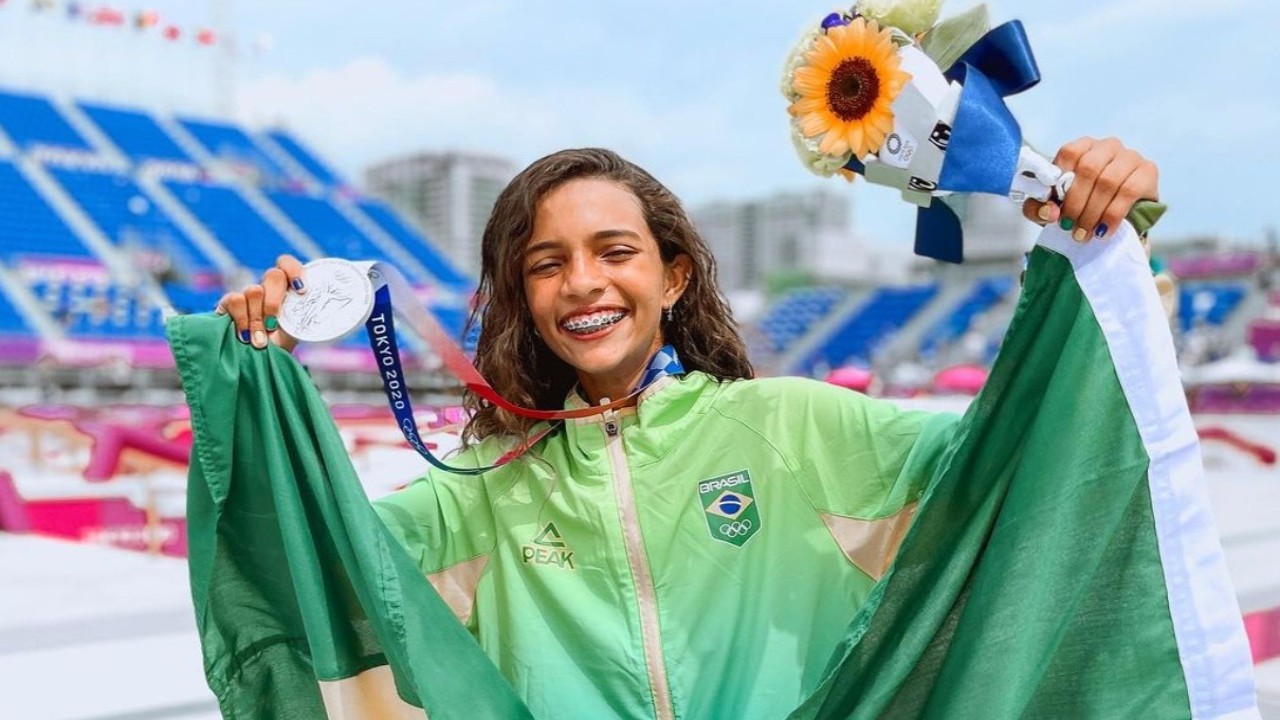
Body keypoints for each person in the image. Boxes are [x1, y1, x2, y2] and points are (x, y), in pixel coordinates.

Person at [214, 139, 1160, 719]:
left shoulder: (791, 424)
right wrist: (263, 377)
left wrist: (1095, 248)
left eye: (613, 251)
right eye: (546, 264)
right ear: (523, 301)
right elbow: (313, 565)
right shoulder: (485, 485)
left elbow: (1020, 465)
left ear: (672, 279)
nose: (582, 281)